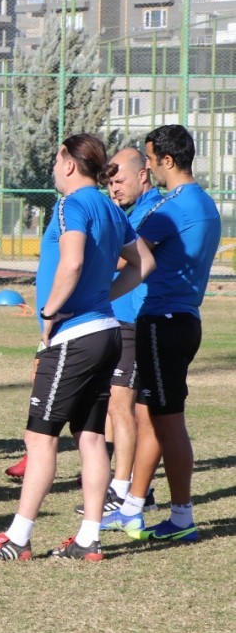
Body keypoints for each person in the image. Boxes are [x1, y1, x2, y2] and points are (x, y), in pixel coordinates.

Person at [0, 134, 150, 562]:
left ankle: (18, 537)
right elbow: (145, 263)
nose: (53, 166)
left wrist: (51, 309)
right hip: (107, 331)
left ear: (69, 163)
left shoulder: (73, 204)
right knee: (89, 437)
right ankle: (89, 538)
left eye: (56, 159)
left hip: (76, 335)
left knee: (39, 437)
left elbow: (70, 262)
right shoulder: (109, 205)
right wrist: (103, 295)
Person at [110, 124, 220, 543]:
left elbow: (131, 254)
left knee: (167, 421)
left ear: (168, 161)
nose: (150, 166)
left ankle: (180, 516)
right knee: (157, 417)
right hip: (181, 319)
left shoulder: (176, 205)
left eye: (152, 159)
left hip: (164, 320)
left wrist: (95, 221)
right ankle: (136, 507)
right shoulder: (200, 201)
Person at [84, 147, 162, 513]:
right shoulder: (130, 211)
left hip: (134, 319)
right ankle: (128, 484)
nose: (113, 189)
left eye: (119, 181)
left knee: (122, 406)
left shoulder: (152, 211)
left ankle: (126, 488)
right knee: (115, 406)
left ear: (143, 174)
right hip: (117, 319)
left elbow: (128, 258)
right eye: (109, 182)